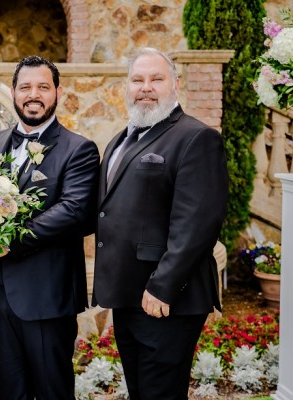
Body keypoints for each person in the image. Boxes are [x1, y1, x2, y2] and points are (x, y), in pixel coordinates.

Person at [92, 47, 229, 400]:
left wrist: (163, 286)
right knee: (141, 390)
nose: (146, 87)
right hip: (129, 295)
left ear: (175, 85)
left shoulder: (196, 137)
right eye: (138, 80)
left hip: (166, 299)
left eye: (156, 79)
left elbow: (198, 221)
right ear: (127, 87)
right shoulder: (121, 140)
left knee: (160, 393)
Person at [0, 55, 100, 400]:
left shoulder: (79, 149)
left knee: (52, 390)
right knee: (10, 390)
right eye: (26, 87)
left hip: (48, 294)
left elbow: (74, 211)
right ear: (14, 92)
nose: (34, 94)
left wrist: (8, 243)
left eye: (43, 87)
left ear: (57, 92)